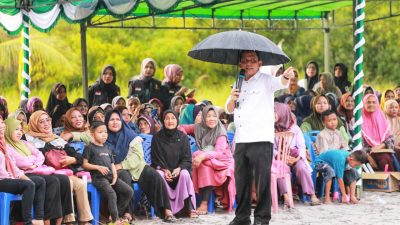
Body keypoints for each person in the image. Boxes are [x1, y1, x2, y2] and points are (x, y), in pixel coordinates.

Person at [225, 50, 293, 225]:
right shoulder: (237, 82)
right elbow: (229, 109)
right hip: (241, 139)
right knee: (242, 182)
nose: (249, 63)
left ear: (259, 63)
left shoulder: (265, 80)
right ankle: (242, 217)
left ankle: (262, 219)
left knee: (262, 181)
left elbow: (281, 83)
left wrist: (286, 76)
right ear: (240, 64)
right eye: (245, 60)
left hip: (261, 138)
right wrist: (232, 98)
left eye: (252, 60)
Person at [5, 118, 76, 225]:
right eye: (16, 129)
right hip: (23, 174)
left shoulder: (24, 143)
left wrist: (33, 163)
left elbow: (40, 155)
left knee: (63, 179)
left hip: (35, 169)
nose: (19, 132)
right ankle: (46, 219)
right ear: (8, 130)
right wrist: (32, 159)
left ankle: (63, 219)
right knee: (52, 181)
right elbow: (21, 162)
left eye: (20, 129)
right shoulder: (7, 146)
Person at [25, 110, 93, 224]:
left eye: (48, 120)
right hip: (48, 175)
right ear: (35, 124)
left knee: (80, 184)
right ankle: (68, 220)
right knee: (68, 182)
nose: (46, 124)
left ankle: (85, 220)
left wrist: (74, 159)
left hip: (64, 172)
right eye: (41, 122)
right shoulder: (29, 140)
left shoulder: (57, 139)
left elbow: (79, 157)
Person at [179, 105, 236, 213]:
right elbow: (181, 127)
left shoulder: (220, 132)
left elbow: (219, 153)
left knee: (199, 158)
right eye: (209, 116)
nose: (212, 119)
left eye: (214, 116)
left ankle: (204, 203)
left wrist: (203, 156)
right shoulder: (199, 127)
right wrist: (184, 139)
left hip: (223, 161)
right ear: (204, 117)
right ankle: (202, 202)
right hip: (208, 160)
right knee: (202, 163)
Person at [82, 121, 133, 225]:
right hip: (99, 178)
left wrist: (114, 175)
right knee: (112, 194)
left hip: (110, 177)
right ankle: (116, 220)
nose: (104, 134)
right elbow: (85, 164)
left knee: (129, 191)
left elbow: (112, 164)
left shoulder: (107, 148)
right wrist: (97, 167)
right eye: (100, 132)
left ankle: (115, 215)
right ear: (92, 134)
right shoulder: (89, 148)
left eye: (105, 132)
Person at [151, 110, 197, 218]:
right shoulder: (157, 138)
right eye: (167, 118)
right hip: (165, 174)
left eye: (173, 118)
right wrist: (164, 170)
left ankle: (188, 208)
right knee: (158, 174)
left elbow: (187, 159)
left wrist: (179, 168)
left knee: (185, 173)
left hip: (178, 174)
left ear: (177, 120)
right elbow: (155, 160)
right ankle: (166, 209)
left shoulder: (183, 137)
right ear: (163, 121)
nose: (170, 121)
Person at [0, 116, 45, 225]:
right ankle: (27, 222)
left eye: (2, 122)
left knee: (38, 181)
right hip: (2, 180)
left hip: (9, 178)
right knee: (29, 185)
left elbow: (15, 168)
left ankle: (39, 219)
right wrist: (27, 182)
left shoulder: (3, 145)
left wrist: (26, 179)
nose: (2, 126)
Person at [273, 102, 320, 206]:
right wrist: (281, 156)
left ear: (283, 113)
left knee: (302, 168)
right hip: (279, 158)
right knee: (280, 169)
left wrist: (297, 158)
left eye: (275, 112)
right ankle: (286, 197)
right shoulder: (270, 129)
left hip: (295, 157)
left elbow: (302, 146)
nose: (272, 115)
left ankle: (312, 195)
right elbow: (271, 148)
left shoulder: (295, 129)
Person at [104, 110, 137, 222]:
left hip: (125, 168)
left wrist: (121, 165)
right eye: (112, 119)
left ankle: (125, 213)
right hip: (106, 170)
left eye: (118, 119)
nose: (115, 122)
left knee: (124, 174)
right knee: (124, 174)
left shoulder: (129, 134)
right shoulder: (102, 134)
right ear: (106, 122)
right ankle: (125, 213)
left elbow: (137, 154)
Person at [362, 94, 396, 171]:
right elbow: (359, 145)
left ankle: (388, 181)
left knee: (385, 158)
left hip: (382, 151)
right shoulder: (359, 119)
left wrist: (381, 146)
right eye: (368, 102)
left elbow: (390, 139)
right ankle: (386, 182)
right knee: (384, 158)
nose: (371, 104)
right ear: (364, 103)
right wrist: (368, 157)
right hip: (366, 154)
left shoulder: (381, 116)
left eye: (374, 102)